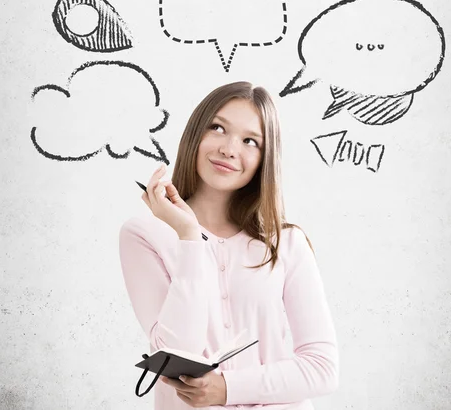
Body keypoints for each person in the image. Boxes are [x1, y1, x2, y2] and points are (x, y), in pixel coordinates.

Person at [119, 81, 339, 409]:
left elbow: (322, 369)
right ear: (196, 133)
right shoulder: (144, 235)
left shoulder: (287, 242)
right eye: (218, 128)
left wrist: (227, 388)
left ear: (265, 158)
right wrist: (189, 238)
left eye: (250, 141)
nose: (229, 149)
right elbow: (176, 352)